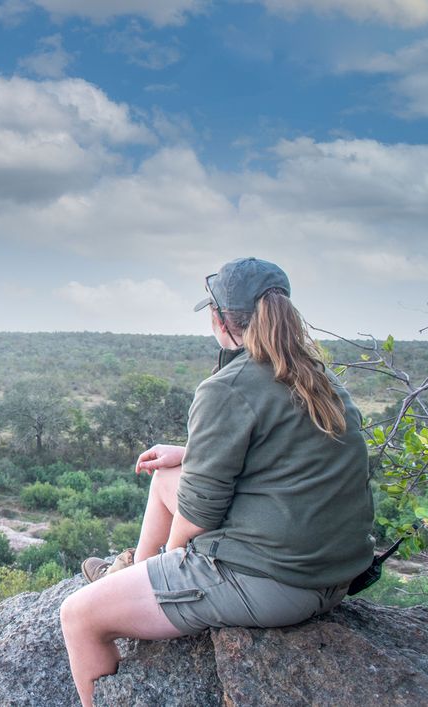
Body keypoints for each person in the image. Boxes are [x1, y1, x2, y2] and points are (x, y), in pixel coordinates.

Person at [59, 257, 375, 706]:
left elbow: (198, 516)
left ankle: (133, 581)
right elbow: (289, 451)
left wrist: (169, 562)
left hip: (276, 583)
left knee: (77, 615)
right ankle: (126, 573)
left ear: (220, 319)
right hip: (331, 574)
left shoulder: (228, 387)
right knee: (167, 474)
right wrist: (188, 455)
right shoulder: (317, 378)